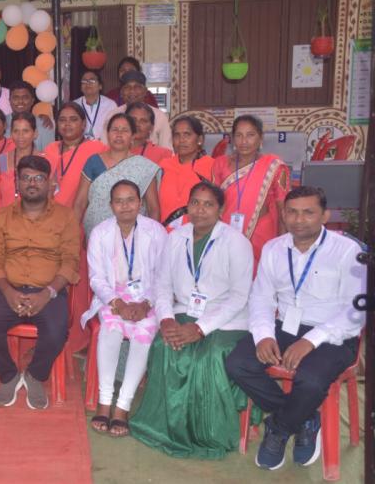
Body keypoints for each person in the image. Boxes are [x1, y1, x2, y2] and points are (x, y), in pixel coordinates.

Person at [225, 186, 366, 470]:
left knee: (310, 380)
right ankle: (304, 418)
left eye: (308, 212)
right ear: (284, 214)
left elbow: (355, 310)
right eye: (292, 212)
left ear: (324, 216)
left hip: (334, 334)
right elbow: (261, 298)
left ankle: (278, 428)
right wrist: (264, 335)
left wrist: (311, 340)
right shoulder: (274, 248)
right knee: (238, 363)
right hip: (286, 326)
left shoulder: (347, 251)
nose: (299, 220)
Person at [130, 182, 253, 459]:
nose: (200, 210)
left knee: (205, 358)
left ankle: (207, 433)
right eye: (195, 202)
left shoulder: (236, 242)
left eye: (208, 204)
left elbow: (239, 297)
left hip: (226, 319)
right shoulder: (176, 237)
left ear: (221, 209)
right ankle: (164, 427)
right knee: (163, 345)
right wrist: (166, 320)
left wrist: (200, 328)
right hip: (185, 310)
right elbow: (162, 285)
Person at [0, 155, 80, 410]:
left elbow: (70, 261)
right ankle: (9, 375)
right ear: (17, 183)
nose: (32, 183)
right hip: (8, 289)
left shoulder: (66, 217)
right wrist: (8, 292)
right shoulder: (2, 217)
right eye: (26, 178)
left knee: (56, 331)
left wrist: (47, 293)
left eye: (38, 178)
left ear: (49, 183)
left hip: (49, 291)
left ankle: (35, 375)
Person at [80, 180, 167, 436]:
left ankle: (123, 405)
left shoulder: (156, 231)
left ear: (140, 203)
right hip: (113, 297)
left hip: (147, 298)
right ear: (111, 205)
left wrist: (146, 303)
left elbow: (164, 275)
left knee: (144, 331)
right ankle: (105, 400)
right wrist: (117, 303)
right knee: (111, 329)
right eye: (119, 201)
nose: (125, 206)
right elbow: (96, 278)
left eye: (130, 200)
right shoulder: (100, 233)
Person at [43, 102, 106, 350]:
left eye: (73, 119)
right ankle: (51, 332)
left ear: (84, 123)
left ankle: (79, 338)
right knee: (50, 276)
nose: (67, 124)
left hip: (79, 224)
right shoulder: (50, 149)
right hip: (48, 225)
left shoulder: (96, 149)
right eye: (63, 120)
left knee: (77, 280)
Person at [212, 114, 290, 265]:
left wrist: (281, 245)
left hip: (261, 234)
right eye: (239, 135)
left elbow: (283, 210)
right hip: (226, 232)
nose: (244, 141)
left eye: (250, 135)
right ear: (232, 139)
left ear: (261, 138)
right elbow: (213, 203)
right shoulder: (220, 164)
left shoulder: (274, 166)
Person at [75, 113, 160, 239]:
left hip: (135, 237)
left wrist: (153, 237)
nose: (119, 134)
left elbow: (153, 208)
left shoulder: (144, 167)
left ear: (133, 136)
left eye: (125, 130)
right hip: (96, 234)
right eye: (115, 130)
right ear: (107, 134)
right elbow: (80, 203)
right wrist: (72, 234)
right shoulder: (94, 162)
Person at [158, 116, 214, 230]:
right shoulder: (163, 165)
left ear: (200, 139)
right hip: (164, 234)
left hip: (197, 233)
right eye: (177, 135)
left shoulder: (212, 166)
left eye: (187, 134)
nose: (181, 140)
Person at [105, 71, 171, 150]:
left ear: (145, 91)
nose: (132, 91)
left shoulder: (159, 116)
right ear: (121, 93)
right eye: (127, 87)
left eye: (137, 87)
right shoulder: (112, 115)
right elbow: (105, 146)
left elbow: (167, 149)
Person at [0, 112, 45, 210]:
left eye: (25, 131)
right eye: (16, 131)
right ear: (11, 134)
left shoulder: (44, 160)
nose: (20, 136)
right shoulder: (2, 161)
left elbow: (51, 194)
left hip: (36, 217)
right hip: (6, 217)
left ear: (35, 133)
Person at [5, 81, 54, 151]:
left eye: (25, 98)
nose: (20, 101)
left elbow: (49, 154)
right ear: (9, 101)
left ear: (32, 101)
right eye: (16, 98)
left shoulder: (45, 125)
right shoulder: (1, 123)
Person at [74, 70, 118, 142]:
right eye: (84, 81)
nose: (88, 83)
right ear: (81, 88)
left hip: (104, 145)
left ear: (100, 86)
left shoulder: (111, 105)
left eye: (92, 80)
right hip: (80, 145)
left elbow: (115, 128)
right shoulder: (75, 105)